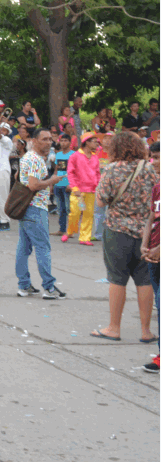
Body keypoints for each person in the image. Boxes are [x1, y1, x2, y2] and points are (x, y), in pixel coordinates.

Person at [89, 132, 158, 343]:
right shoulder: (151, 169)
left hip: (117, 230)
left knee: (117, 278)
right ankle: (146, 331)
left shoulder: (112, 169)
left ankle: (114, 328)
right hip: (146, 232)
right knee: (145, 280)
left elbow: (100, 202)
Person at [15, 129, 66, 300]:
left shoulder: (28, 158)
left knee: (24, 247)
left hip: (26, 208)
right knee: (43, 247)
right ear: (34, 141)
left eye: (50, 139)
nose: (49, 142)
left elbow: (19, 177)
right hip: (35, 208)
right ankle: (49, 288)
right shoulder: (35, 159)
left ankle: (24, 285)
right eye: (44, 139)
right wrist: (51, 181)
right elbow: (33, 185)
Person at [140, 141, 160, 372]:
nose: (153, 162)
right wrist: (145, 244)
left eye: (157, 157)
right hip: (154, 254)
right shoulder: (157, 187)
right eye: (151, 157)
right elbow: (151, 218)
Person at [63, 133, 102, 245]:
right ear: (87, 142)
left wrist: (98, 186)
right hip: (78, 191)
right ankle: (70, 232)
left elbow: (97, 173)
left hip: (91, 190)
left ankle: (85, 238)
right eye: (94, 141)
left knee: (88, 214)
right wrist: (75, 188)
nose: (96, 144)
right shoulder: (75, 156)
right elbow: (70, 173)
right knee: (74, 213)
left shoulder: (95, 157)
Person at [51, 134, 74, 237]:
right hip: (58, 184)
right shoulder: (58, 155)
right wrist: (52, 183)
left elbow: (76, 171)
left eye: (66, 140)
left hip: (68, 185)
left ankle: (70, 230)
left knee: (69, 209)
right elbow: (56, 169)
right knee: (61, 209)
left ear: (70, 142)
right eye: (62, 140)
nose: (63, 143)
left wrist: (72, 184)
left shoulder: (73, 155)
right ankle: (62, 229)